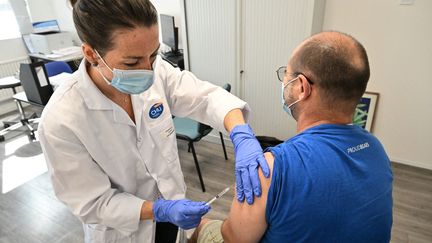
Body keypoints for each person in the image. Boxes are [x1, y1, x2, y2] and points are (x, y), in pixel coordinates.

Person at [37, 1, 269, 242]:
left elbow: (205, 98)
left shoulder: (157, 70)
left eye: (153, 54)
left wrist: (241, 133)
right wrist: (159, 210)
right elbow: (93, 203)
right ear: (91, 53)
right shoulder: (61, 121)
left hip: (173, 220)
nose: (148, 69)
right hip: (125, 231)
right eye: (132, 62)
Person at [190, 31, 393, 243]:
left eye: (285, 75)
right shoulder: (376, 149)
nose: (283, 82)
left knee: (200, 226)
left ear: (302, 87)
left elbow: (233, 238)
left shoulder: (270, 168)